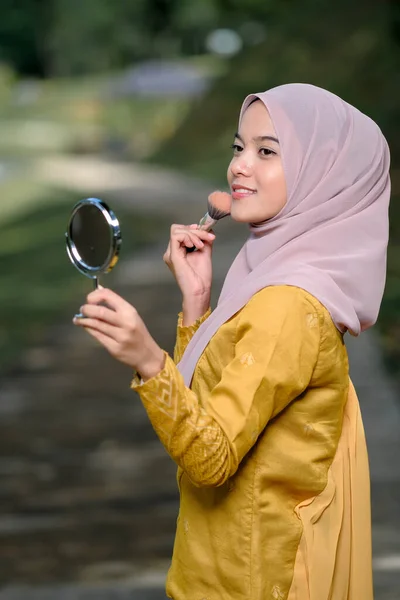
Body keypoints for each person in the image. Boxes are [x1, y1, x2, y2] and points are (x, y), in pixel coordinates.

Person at [73, 83, 391, 599]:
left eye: (267, 151)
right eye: (239, 147)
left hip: (254, 581)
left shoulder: (289, 305)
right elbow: (211, 413)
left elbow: (210, 459)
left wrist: (150, 362)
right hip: (218, 568)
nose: (240, 166)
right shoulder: (270, 279)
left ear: (323, 175)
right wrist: (198, 301)